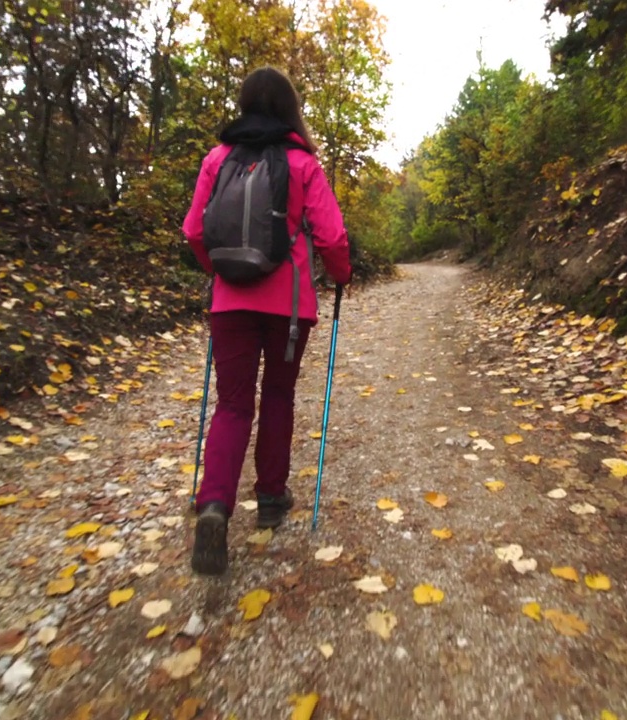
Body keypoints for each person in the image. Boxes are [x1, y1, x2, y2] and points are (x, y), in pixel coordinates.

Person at [182, 67, 352, 575]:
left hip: (230, 303)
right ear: (290, 107)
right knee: (278, 396)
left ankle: (214, 505)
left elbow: (195, 229)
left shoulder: (218, 158)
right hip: (288, 309)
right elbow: (333, 239)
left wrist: (222, 273)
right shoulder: (302, 163)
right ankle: (272, 500)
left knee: (233, 404)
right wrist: (342, 276)